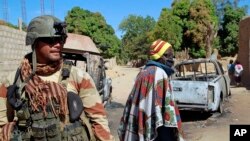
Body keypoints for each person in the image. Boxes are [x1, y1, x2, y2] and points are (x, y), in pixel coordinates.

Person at [0, 15, 114, 141]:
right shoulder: (14, 81)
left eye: (61, 39)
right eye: (50, 40)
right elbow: (2, 124)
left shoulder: (78, 77)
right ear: (34, 42)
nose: (58, 44)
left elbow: (98, 120)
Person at [118, 39, 184, 141]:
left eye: (172, 55)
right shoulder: (159, 73)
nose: (172, 59)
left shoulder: (143, 71)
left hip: (143, 123)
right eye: (169, 55)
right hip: (159, 131)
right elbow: (164, 111)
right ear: (161, 56)